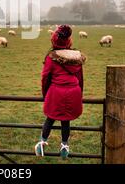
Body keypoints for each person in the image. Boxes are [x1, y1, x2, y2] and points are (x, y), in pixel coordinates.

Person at [34, 25, 86, 159]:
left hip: (56, 91)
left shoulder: (51, 57)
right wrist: (79, 95)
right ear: (69, 41)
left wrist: (46, 95)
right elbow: (80, 79)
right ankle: (64, 146)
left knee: (50, 118)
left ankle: (41, 144)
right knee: (66, 120)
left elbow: (45, 78)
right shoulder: (76, 57)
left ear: (54, 41)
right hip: (73, 91)